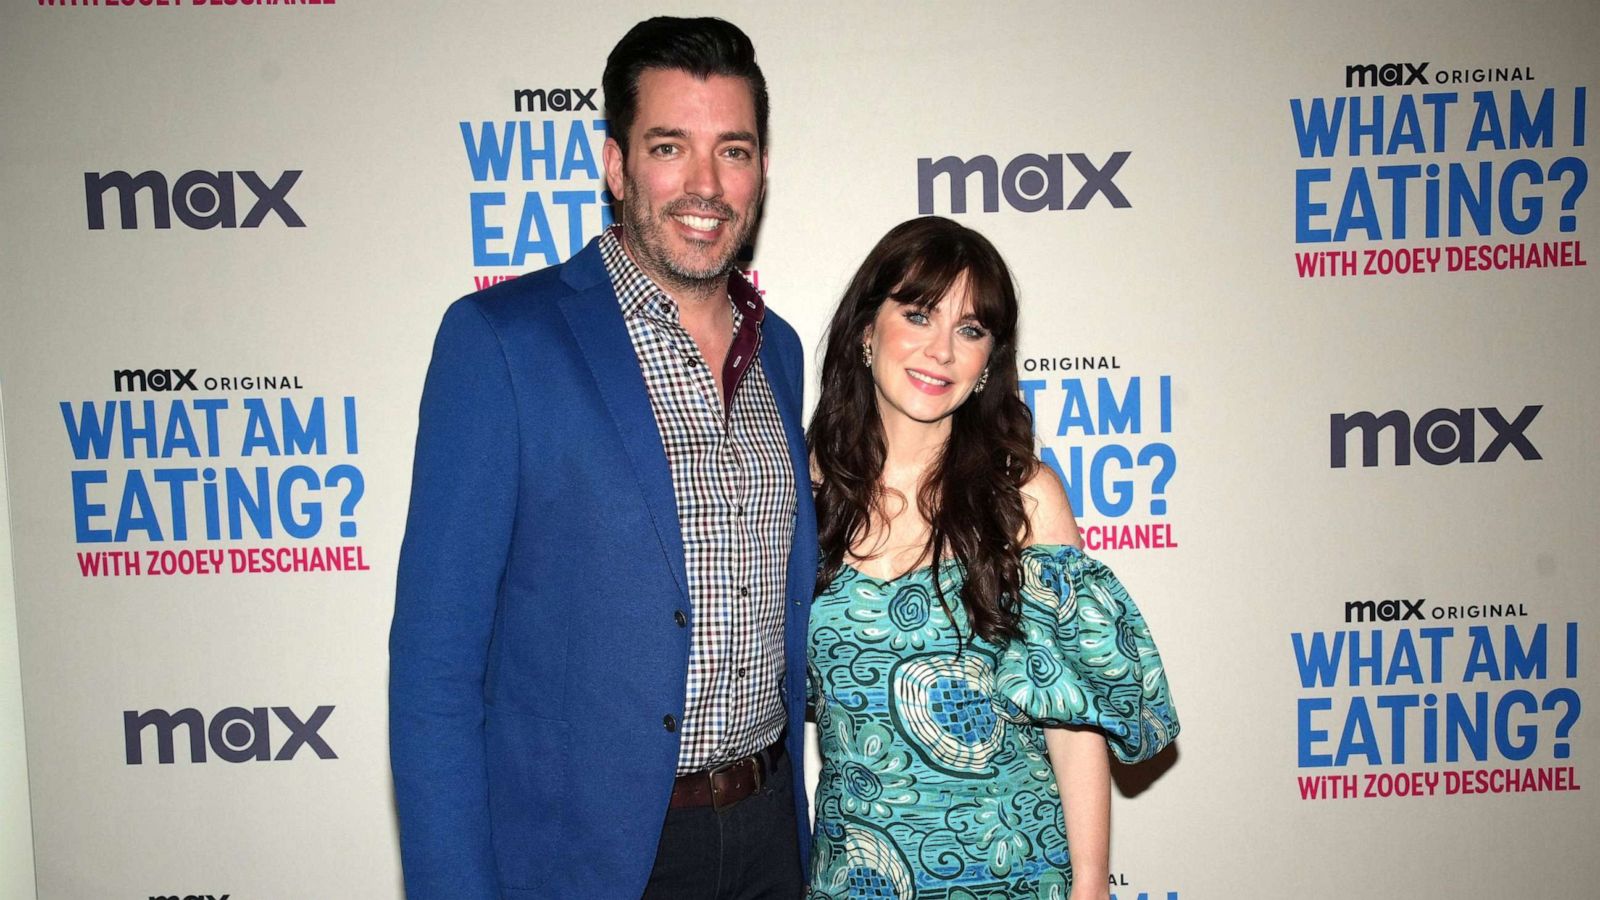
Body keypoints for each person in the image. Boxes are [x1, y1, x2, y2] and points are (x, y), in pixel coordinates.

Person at [389, 17, 817, 900]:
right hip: (595, 860)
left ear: (762, 171)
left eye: (732, 150)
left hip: (771, 837)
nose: (705, 184)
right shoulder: (503, 343)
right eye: (671, 146)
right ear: (617, 164)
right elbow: (435, 671)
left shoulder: (782, 352)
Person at [805, 217, 1179, 899]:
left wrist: (1091, 883)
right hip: (855, 880)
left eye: (970, 330)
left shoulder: (1023, 498)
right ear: (865, 329)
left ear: (987, 364)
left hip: (1015, 871)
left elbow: (1074, 722)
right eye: (918, 314)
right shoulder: (801, 491)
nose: (941, 350)